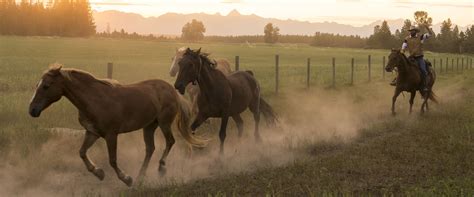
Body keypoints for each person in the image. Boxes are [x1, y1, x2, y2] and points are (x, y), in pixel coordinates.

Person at [390, 25, 434, 92]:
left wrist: (427, 27)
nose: (411, 32)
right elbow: (403, 47)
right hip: (411, 57)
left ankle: (424, 85)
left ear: (415, 31)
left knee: (423, 70)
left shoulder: (421, 37)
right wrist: (402, 51)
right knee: (402, 67)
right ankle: (396, 80)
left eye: (413, 30)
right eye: (411, 31)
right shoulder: (407, 39)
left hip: (419, 58)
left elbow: (430, 34)